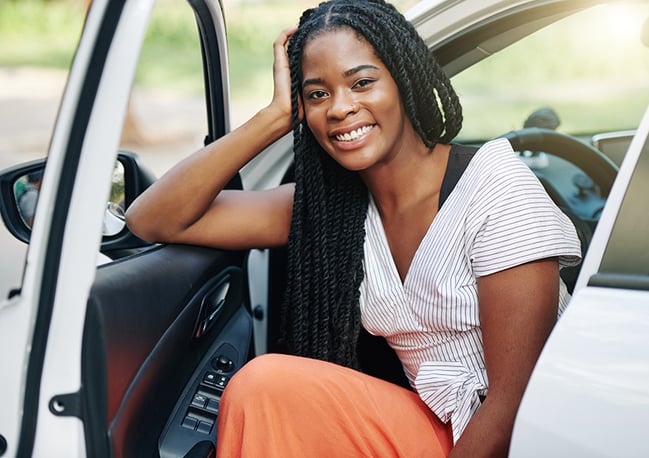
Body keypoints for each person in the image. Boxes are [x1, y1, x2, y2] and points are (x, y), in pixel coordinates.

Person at [125, 0, 581, 456]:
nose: (341, 108)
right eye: (317, 94)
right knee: (262, 387)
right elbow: (153, 218)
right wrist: (272, 119)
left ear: (403, 81)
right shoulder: (335, 211)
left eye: (362, 83)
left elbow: (512, 406)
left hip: (527, 436)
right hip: (434, 429)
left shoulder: (496, 189)